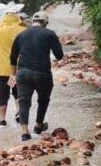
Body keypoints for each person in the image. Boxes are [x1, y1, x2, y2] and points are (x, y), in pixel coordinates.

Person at [8, 12, 64, 141]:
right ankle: (38, 126)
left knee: (23, 102)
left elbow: (12, 57)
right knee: (43, 100)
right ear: (45, 23)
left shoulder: (21, 34)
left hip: (22, 73)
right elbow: (59, 55)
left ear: (32, 21)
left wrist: (13, 74)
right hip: (42, 73)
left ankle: (25, 132)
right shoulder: (49, 34)